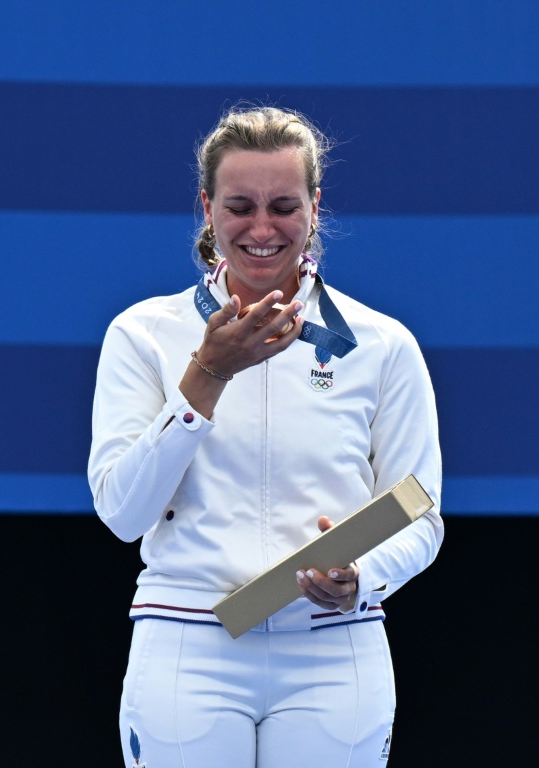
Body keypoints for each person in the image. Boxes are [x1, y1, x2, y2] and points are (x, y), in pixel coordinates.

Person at [88, 105, 443, 767]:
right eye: (239, 205)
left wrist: (362, 575)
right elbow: (122, 513)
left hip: (336, 649)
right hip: (186, 641)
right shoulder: (142, 334)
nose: (260, 228)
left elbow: (419, 517)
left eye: (282, 205)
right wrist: (207, 374)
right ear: (207, 208)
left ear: (314, 206)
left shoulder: (381, 344)